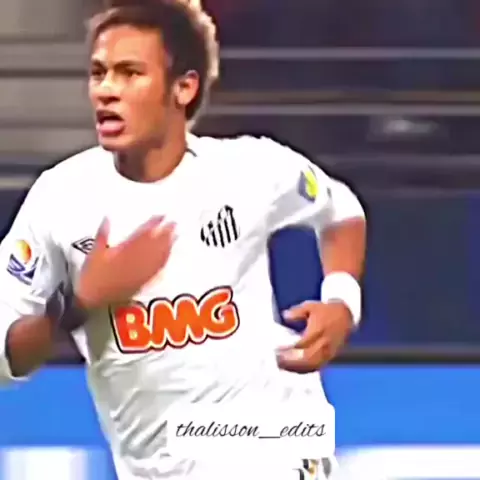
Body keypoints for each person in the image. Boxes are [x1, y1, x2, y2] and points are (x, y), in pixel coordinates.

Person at [0, 0, 366, 478]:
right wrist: (81, 301)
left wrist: (342, 300)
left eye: (130, 73)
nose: (106, 90)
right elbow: (5, 359)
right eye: (99, 73)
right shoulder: (61, 199)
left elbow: (341, 211)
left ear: (183, 88)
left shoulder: (251, 169)